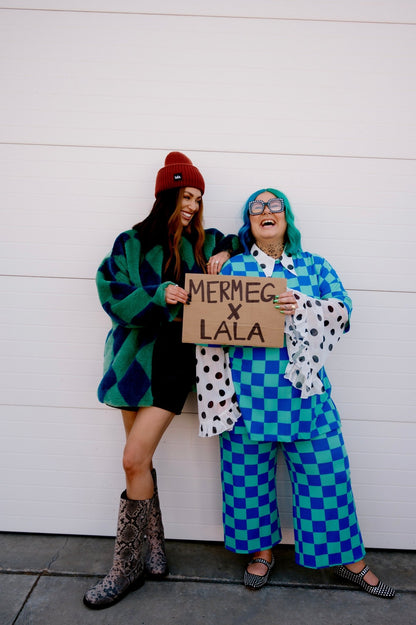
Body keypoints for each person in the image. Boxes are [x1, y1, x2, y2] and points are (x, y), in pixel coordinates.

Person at [195, 188, 395, 598]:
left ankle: (349, 561)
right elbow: (209, 332)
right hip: (246, 399)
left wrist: (304, 305)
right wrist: (217, 401)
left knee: (328, 479)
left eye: (274, 206)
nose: (265, 212)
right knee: (246, 482)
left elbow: (343, 311)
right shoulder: (232, 269)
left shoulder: (315, 266)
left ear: (287, 216)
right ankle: (262, 553)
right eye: (256, 207)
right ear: (248, 222)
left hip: (307, 399)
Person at [83, 152, 238, 610]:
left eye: (198, 198)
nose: (193, 205)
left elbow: (240, 240)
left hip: (174, 365)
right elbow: (110, 294)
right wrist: (158, 295)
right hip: (131, 365)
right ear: (167, 194)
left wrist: (228, 248)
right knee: (139, 463)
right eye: (186, 195)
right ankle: (152, 553)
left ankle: (125, 566)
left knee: (133, 457)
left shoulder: (206, 243)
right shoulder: (130, 242)